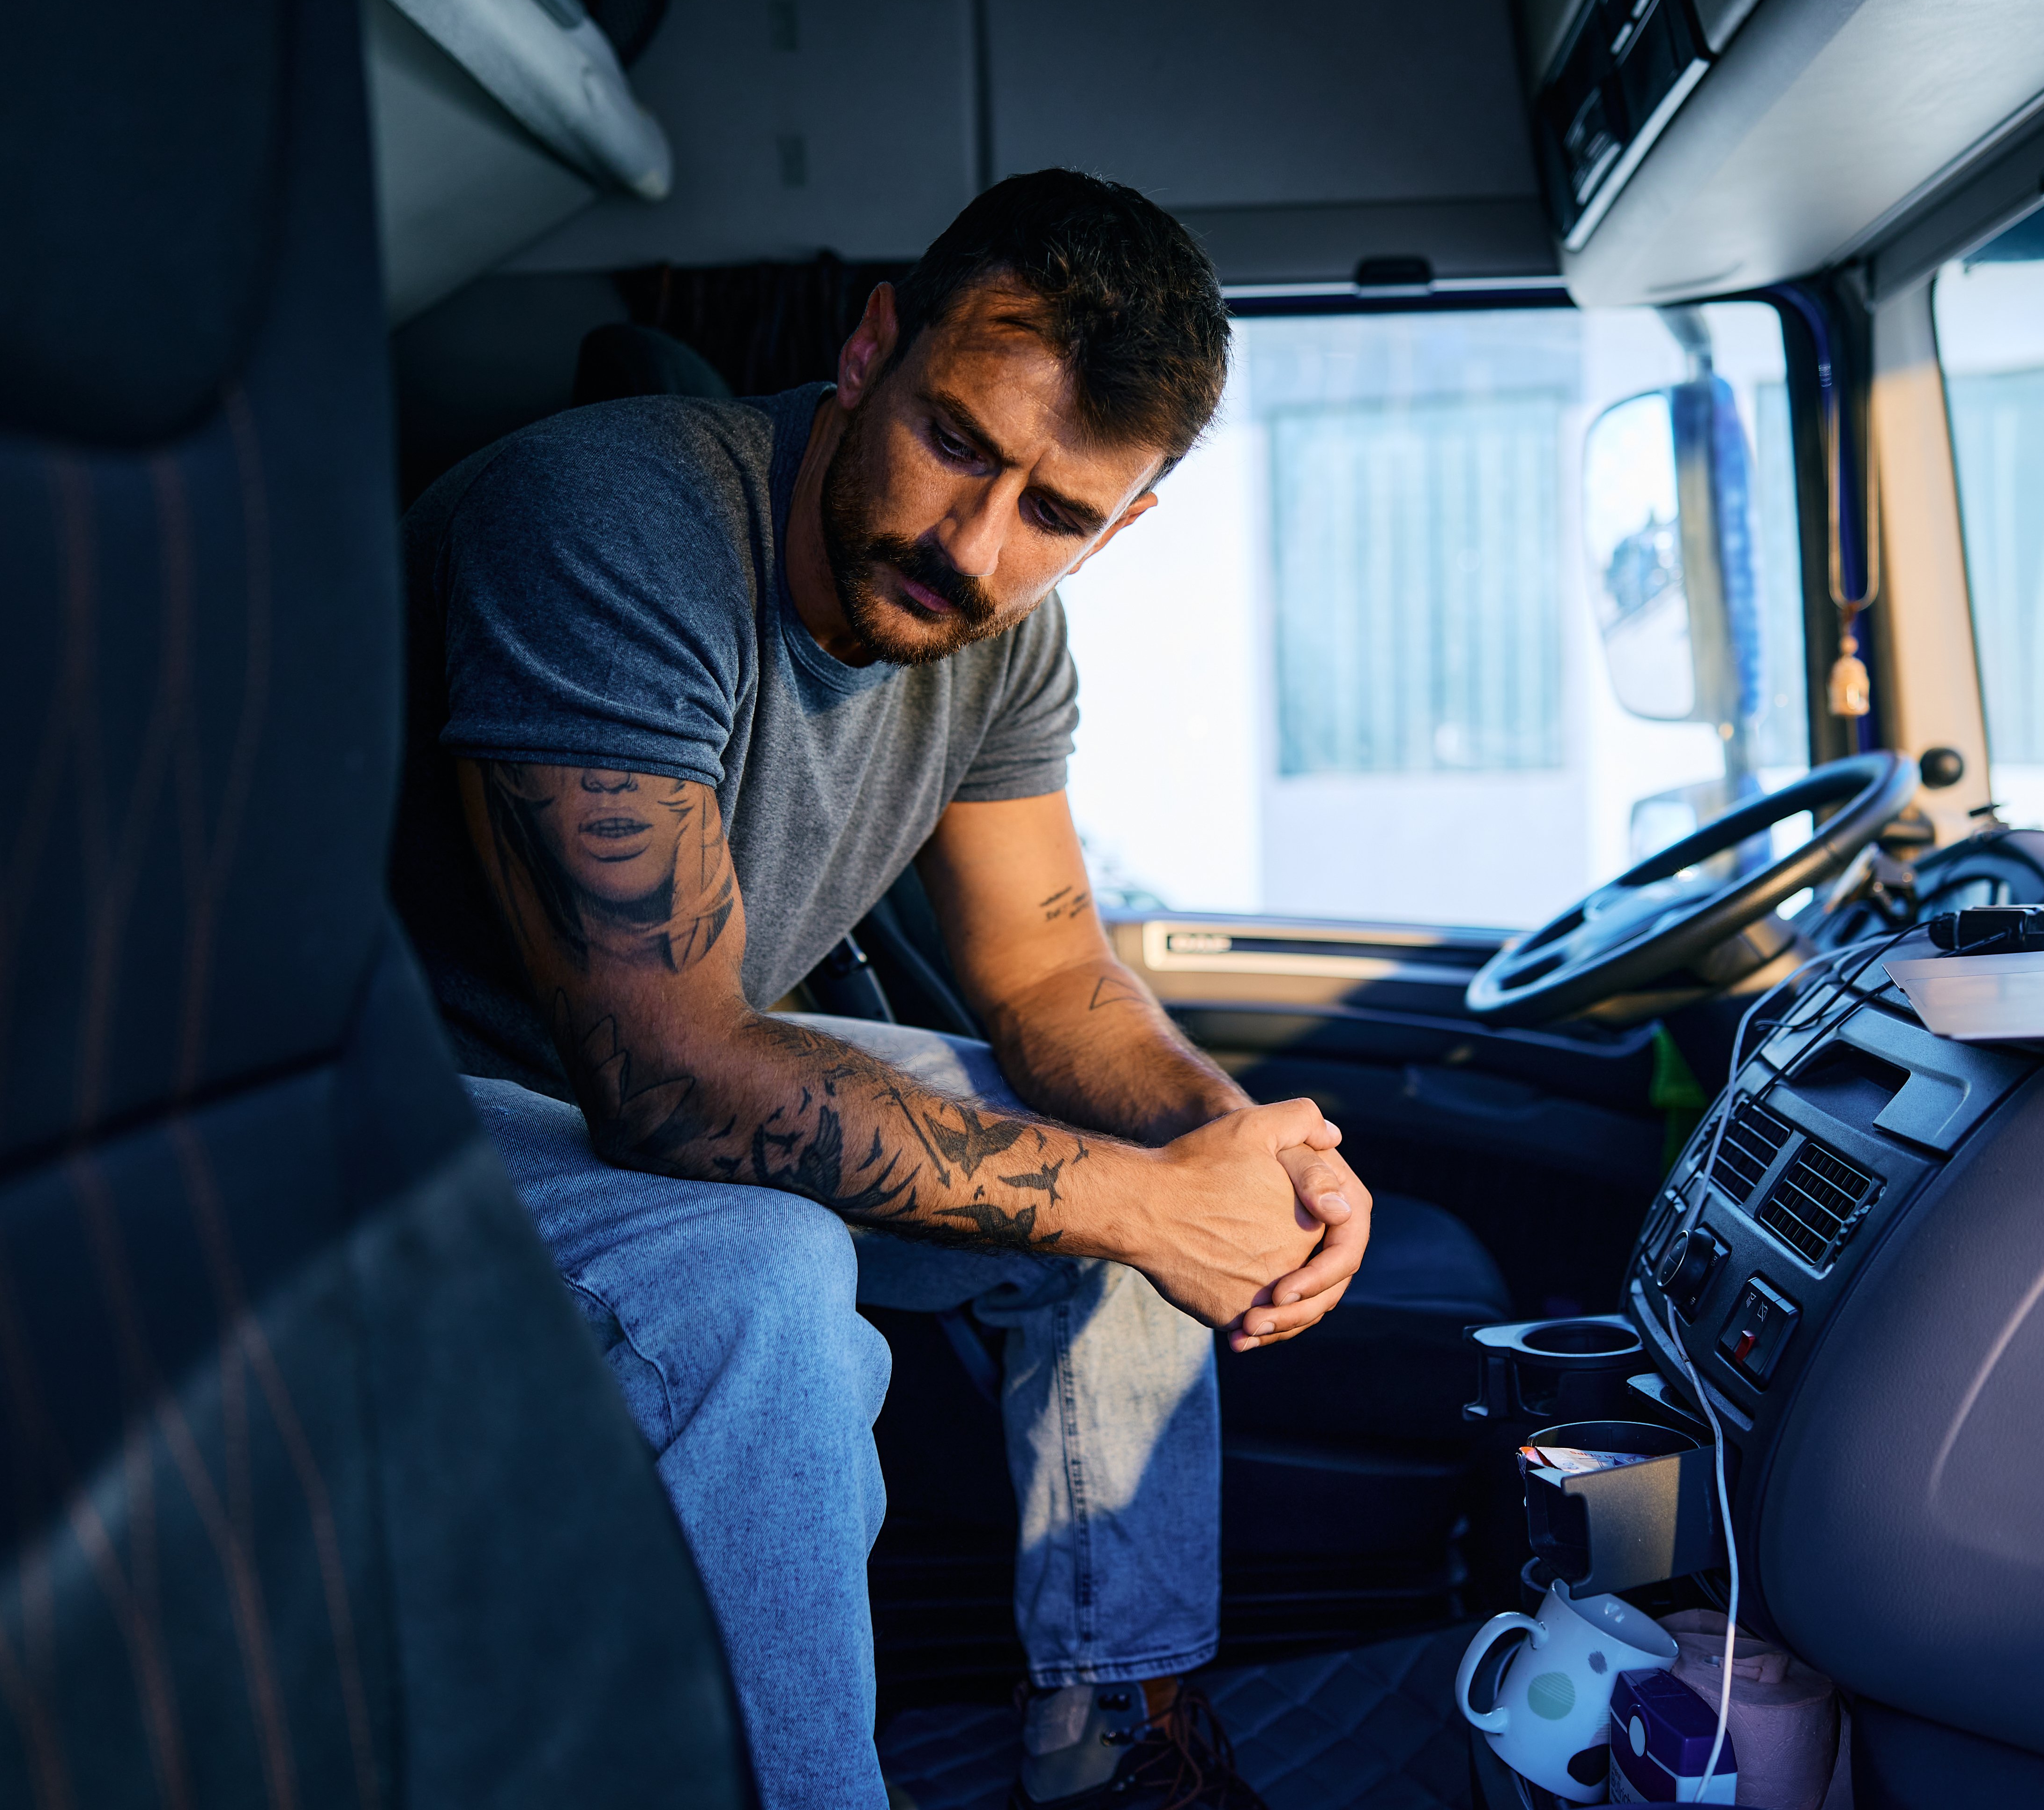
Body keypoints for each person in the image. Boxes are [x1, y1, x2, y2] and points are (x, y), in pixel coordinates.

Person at [389, 168, 1373, 1810]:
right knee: (765, 1273)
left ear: (1122, 526)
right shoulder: (609, 519)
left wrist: (1226, 1145)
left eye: (1056, 516)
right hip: (385, 1103)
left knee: (1156, 1171)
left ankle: (1110, 1747)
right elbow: (669, 1078)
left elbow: (1048, 972)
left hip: (659, 1058)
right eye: (958, 442)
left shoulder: (1002, 628)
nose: (972, 544)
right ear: (869, 351)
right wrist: (1145, 1207)